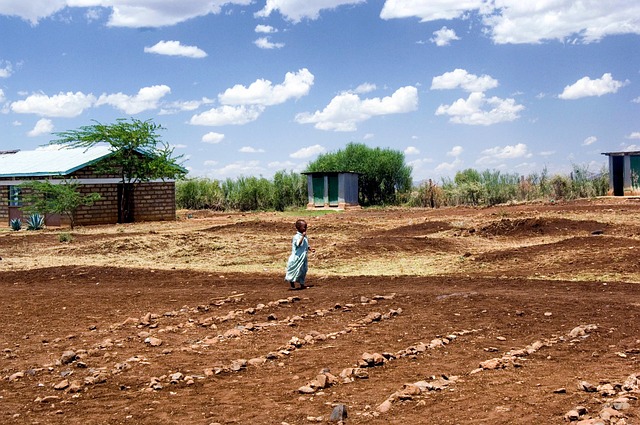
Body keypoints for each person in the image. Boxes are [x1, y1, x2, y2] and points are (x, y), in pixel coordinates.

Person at [285, 219, 315, 289]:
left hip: (303, 257)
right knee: (294, 270)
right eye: (304, 227)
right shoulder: (296, 237)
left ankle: (302, 284)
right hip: (297, 257)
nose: (305, 229)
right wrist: (302, 237)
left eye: (306, 227)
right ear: (299, 228)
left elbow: (305, 244)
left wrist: (310, 249)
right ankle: (292, 284)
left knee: (303, 270)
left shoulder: (304, 236)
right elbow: (298, 244)